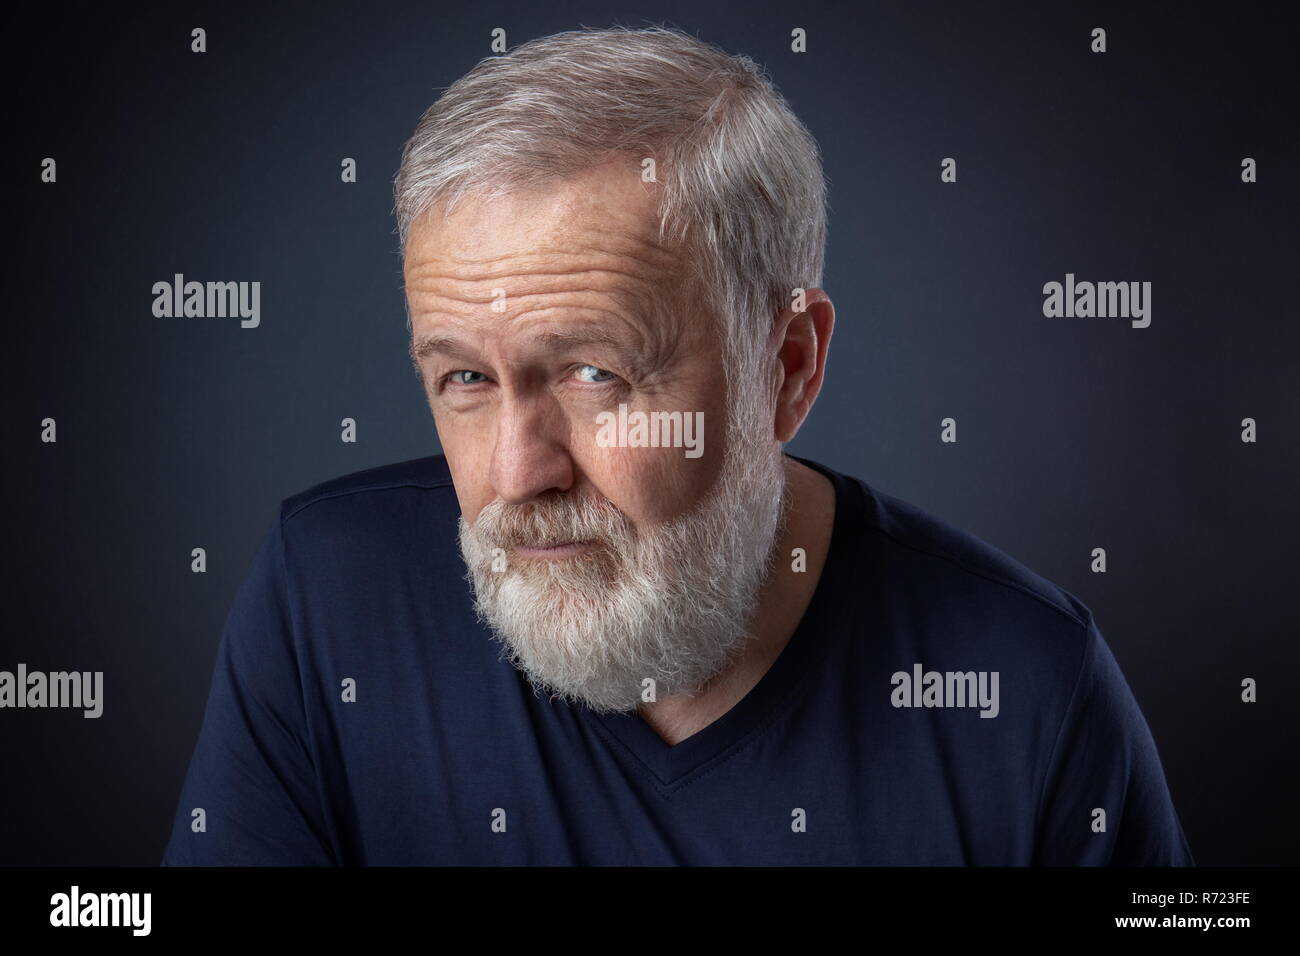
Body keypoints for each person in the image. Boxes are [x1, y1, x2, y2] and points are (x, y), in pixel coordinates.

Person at [162, 25, 1193, 866]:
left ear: (786, 364)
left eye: (594, 373)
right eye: (466, 378)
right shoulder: (327, 597)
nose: (516, 475)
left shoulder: (1028, 687)